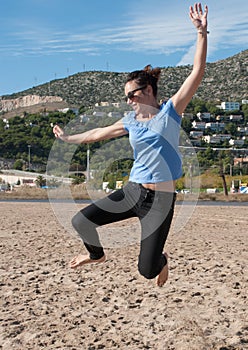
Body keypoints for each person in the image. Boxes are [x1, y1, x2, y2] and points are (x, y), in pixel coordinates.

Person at [53, 3, 208, 287]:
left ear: (148, 90)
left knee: (147, 271)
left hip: (160, 202)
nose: (128, 101)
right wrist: (68, 138)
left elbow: (197, 71)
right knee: (80, 222)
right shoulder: (130, 121)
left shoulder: (171, 112)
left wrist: (201, 33)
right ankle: (96, 255)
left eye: (132, 95)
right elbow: (99, 133)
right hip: (133, 191)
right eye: (126, 97)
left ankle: (163, 260)